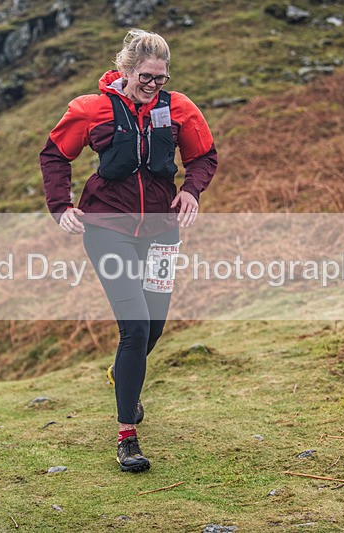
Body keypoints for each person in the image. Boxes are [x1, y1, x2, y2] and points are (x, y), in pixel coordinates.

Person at [39, 29, 217, 472]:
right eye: (146, 76)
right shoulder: (90, 109)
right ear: (126, 70)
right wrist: (60, 206)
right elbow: (54, 155)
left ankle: (123, 376)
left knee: (153, 327)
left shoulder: (178, 109)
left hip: (161, 232)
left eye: (161, 77)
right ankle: (127, 435)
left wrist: (192, 191)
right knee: (134, 328)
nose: (153, 84)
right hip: (107, 230)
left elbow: (205, 156)